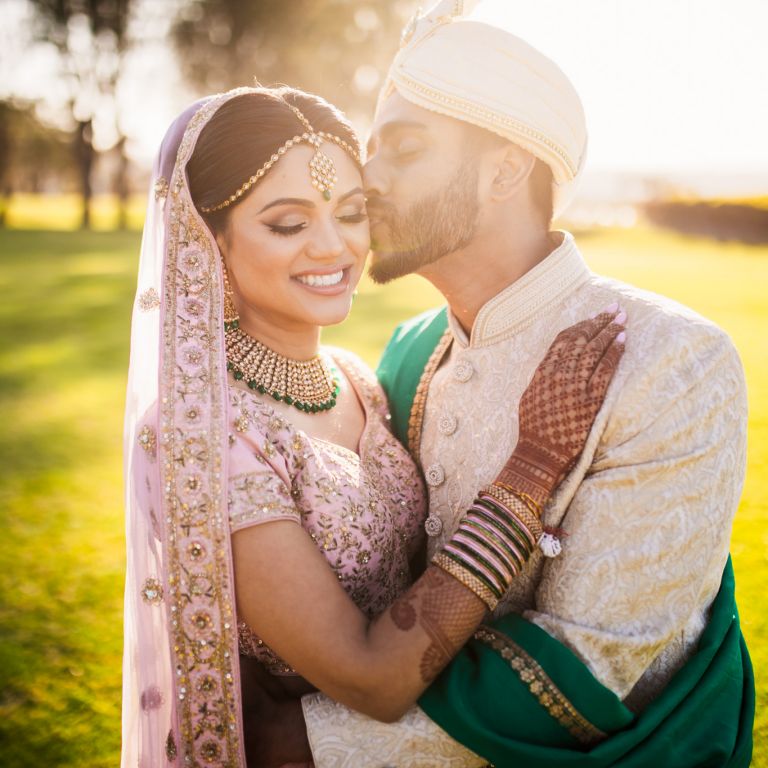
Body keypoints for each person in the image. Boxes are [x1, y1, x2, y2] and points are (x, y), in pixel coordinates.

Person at [287, 2, 755, 767]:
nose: (366, 180)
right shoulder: (406, 355)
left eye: (402, 150)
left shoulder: (673, 361)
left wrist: (307, 739)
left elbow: (587, 671)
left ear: (506, 168)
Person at [121, 84, 626, 768]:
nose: (335, 247)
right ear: (207, 242)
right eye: (287, 223)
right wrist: (531, 473)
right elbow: (370, 678)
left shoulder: (360, 380)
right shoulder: (203, 432)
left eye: (351, 212)